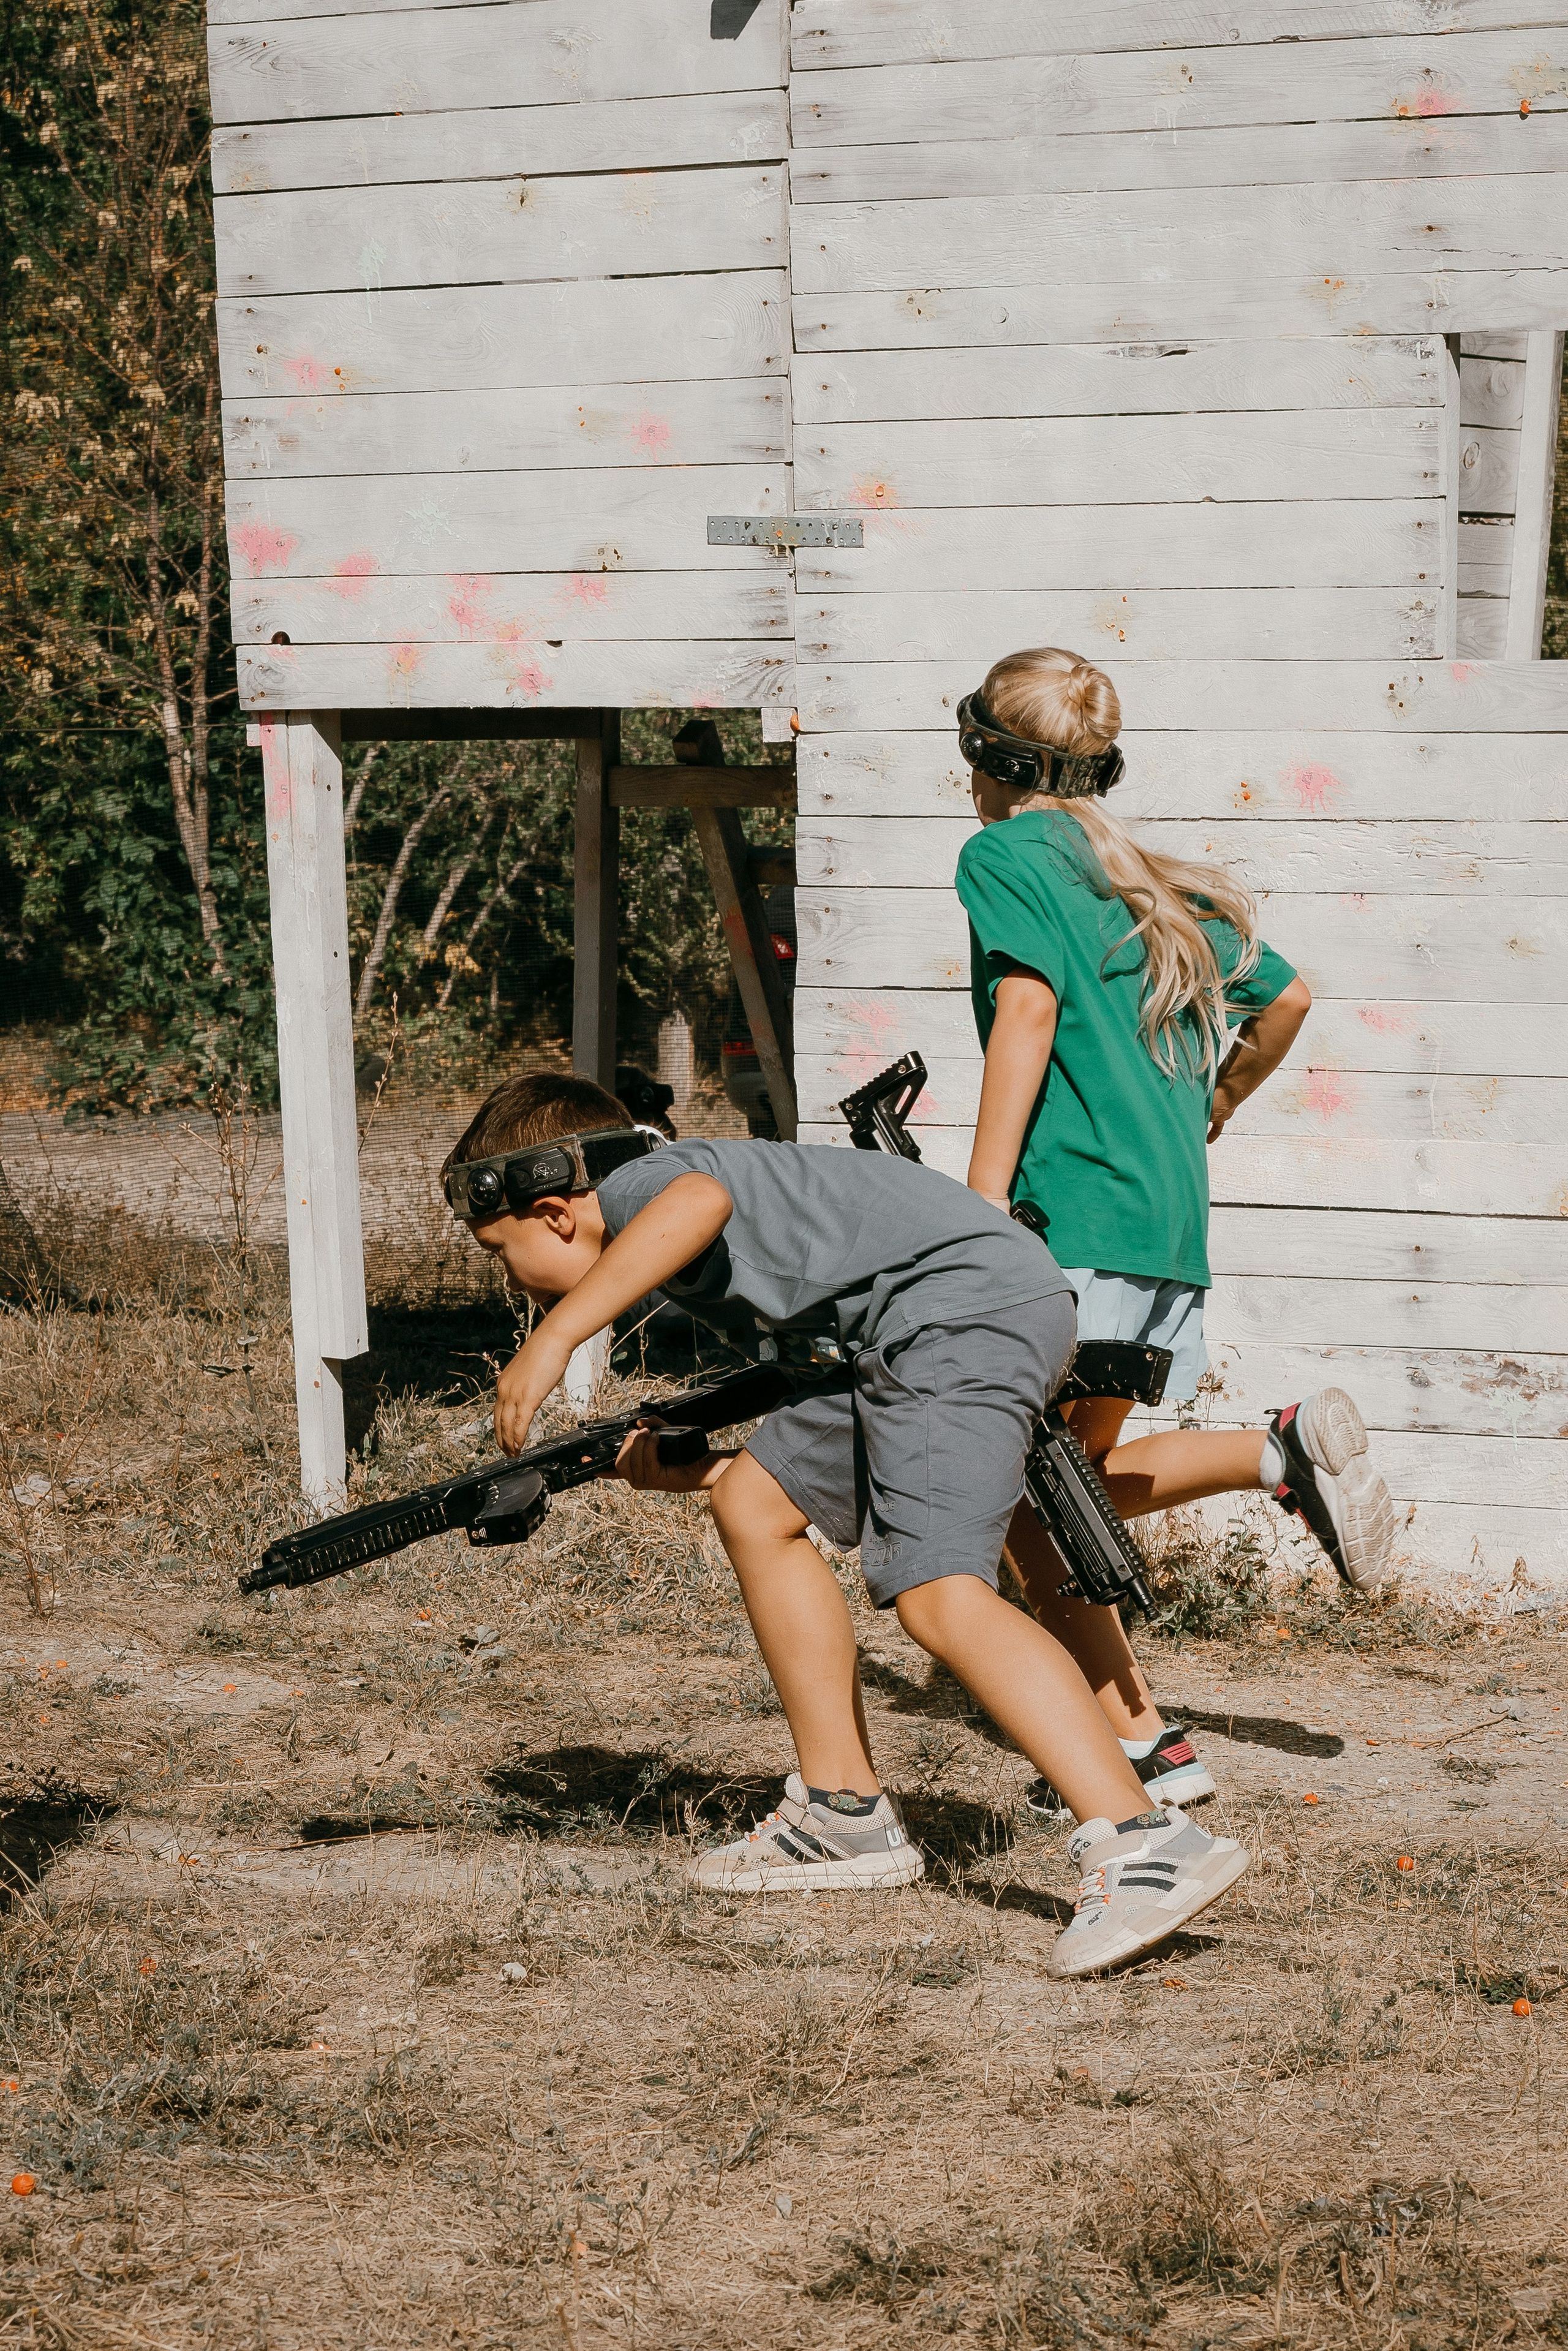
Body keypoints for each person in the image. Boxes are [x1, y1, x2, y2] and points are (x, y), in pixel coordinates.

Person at [440, 1069, 1251, 1979]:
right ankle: (843, 1811)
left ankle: (1144, 1839)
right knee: (755, 1501)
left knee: (940, 1592)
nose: (512, 1283)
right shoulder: (683, 1192)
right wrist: (696, 1469)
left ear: (556, 1211)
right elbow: (865, 1451)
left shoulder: (644, 1186)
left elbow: (696, 1205)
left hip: (954, 1316)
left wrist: (554, 1338)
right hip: (906, 1335)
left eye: (501, 1254)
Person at [953, 647, 1397, 1819]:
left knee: (1021, 1497)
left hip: (1069, 1214)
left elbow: (1028, 1008)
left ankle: (1141, 1743)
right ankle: (1275, 1456)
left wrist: (978, 1202)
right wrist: (1217, 1106)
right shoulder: (1143, 875)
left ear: (987, 754)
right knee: (1070, 1480)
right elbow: (1287, 997)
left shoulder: (1001, 854)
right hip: (1161, 1226)